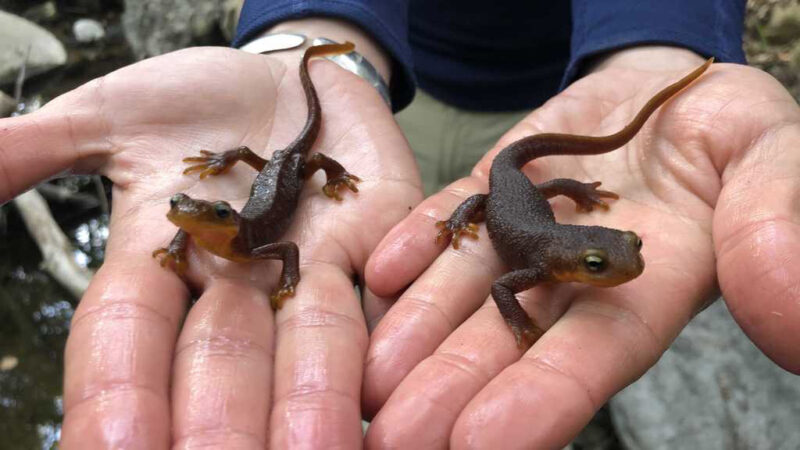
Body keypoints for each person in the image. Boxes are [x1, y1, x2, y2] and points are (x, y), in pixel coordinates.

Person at [0, 1, 797, 448]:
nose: (614, 271)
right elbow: (495, 226)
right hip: (388, 102)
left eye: (611, 263)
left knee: (464, 290)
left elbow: (508, 268)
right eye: (604, 265)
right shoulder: (537, 261)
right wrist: (318, 37)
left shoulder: (543, 260)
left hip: (566, 85)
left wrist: (656, 49)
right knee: (390, 285)